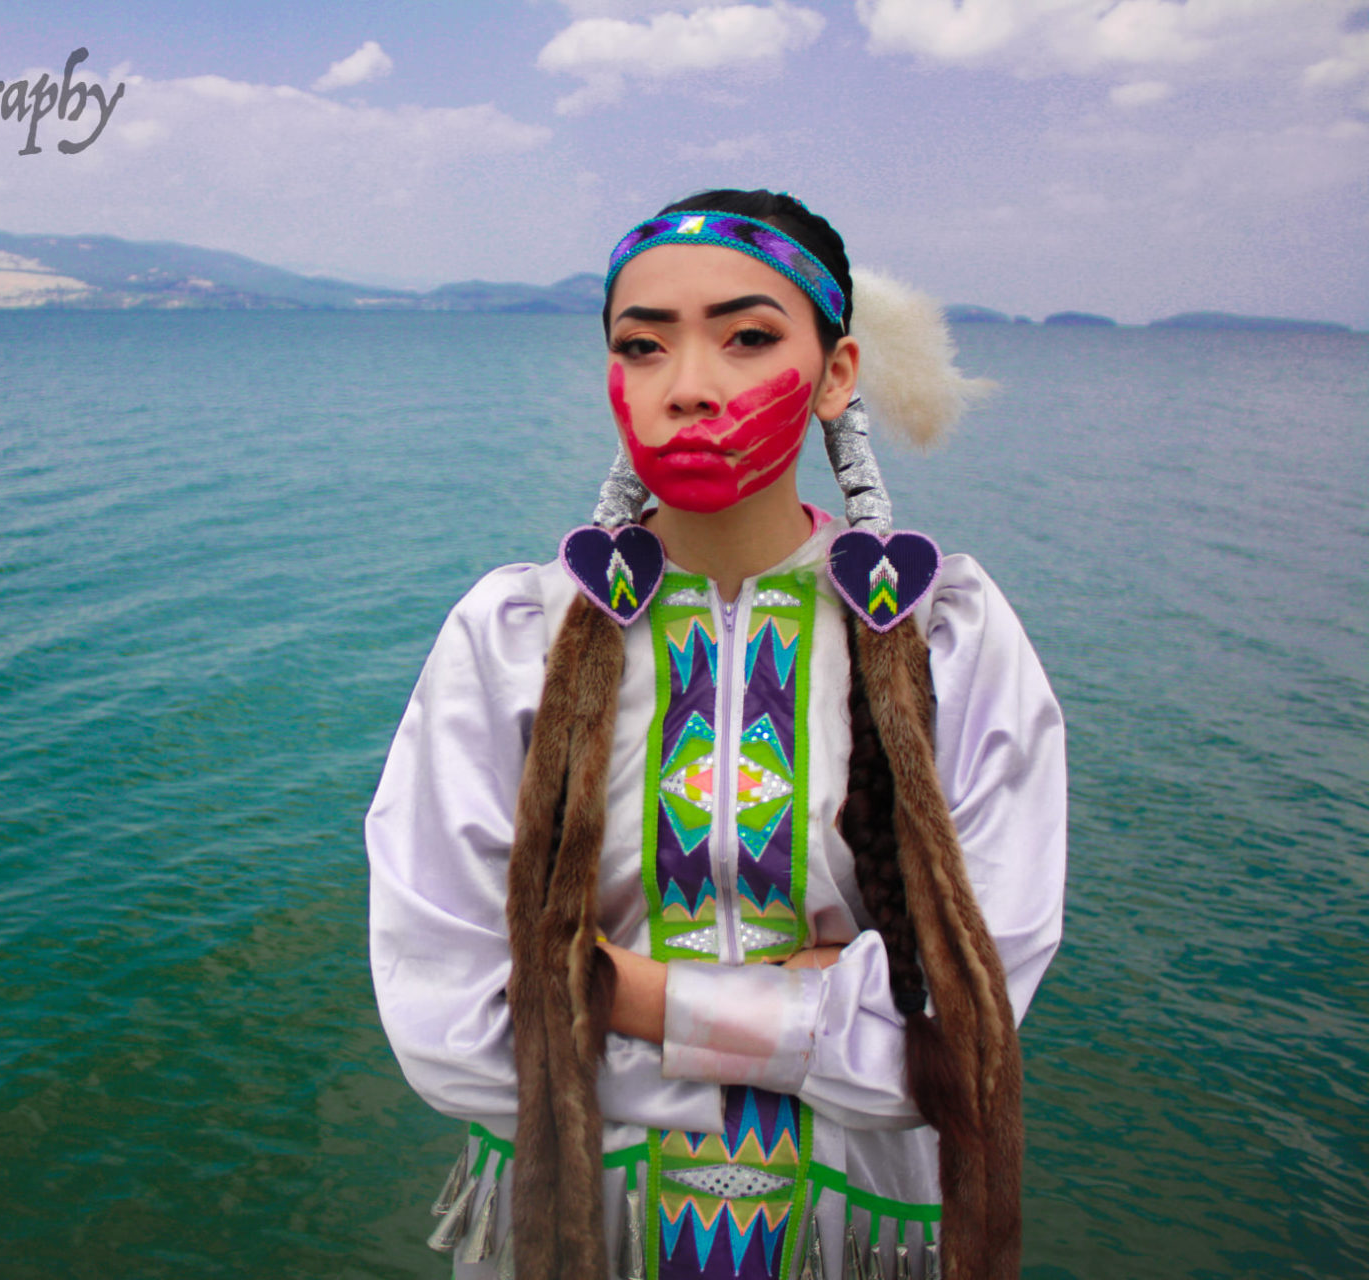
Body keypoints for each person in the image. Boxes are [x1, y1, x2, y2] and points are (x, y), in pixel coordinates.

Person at [366, 189, 1065, 1280]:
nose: (688, 385)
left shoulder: (951, 637)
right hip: (583, 1237)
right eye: (641, 345)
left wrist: (621, 992)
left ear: (838, 370)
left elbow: (957, 1047)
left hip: (853, 1239)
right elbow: (448, 1025)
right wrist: (818, 1014)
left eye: (748, 337)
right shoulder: (510, 637)